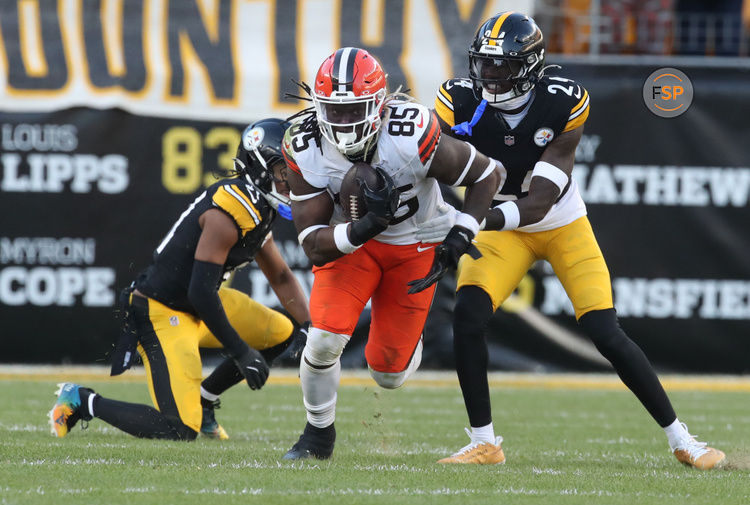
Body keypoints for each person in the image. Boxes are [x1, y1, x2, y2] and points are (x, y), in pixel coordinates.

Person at [418, 11, 725, 469]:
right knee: (467, 317)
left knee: (606, 332)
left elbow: (539, 201)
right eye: (485, 63)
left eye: (502, 65)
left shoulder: (561, 101)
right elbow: (431, 164)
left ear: (531, 65)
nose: (490, 74)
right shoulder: (457, 99)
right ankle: (485, 442)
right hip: (500, 228)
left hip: (558, 223)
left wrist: (470, 224)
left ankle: (682, 439)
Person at [280, 47, 500, 460]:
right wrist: (364, 227)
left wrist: (462, 232)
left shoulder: (410, 132)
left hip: (414, 247)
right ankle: (317, 434)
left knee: (388, 374)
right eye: (333, 110)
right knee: (324, 339)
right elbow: (312, 242)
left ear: (379, 104)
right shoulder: (304, 143)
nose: (343, 123)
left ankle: (403, 345)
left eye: (353, 110)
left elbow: (489, 173)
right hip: (351, 247)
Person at [49, 118, 311, 441]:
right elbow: (200, 291)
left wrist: (310, 328)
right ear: (259, 168)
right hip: (164, 310)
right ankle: (82, 401)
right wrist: (242, 353)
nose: (292, 180)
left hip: (201, 303)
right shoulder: (229, 211)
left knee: (283, 333)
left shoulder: (262, 208)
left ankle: (206, 401)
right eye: (284, 172)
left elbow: (281, 275)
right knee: (178, 429)